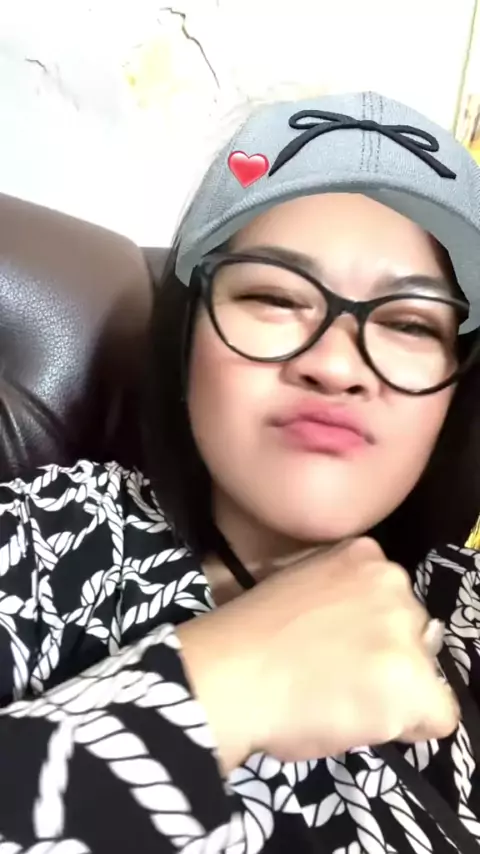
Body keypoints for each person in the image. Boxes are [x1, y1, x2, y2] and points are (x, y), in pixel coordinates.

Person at [1, 90, 480, 854]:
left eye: (410, 323)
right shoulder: (43, 541)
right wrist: (227, 682)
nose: (335, 365)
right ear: (186, 337)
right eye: (274, 297)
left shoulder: (469, 612)